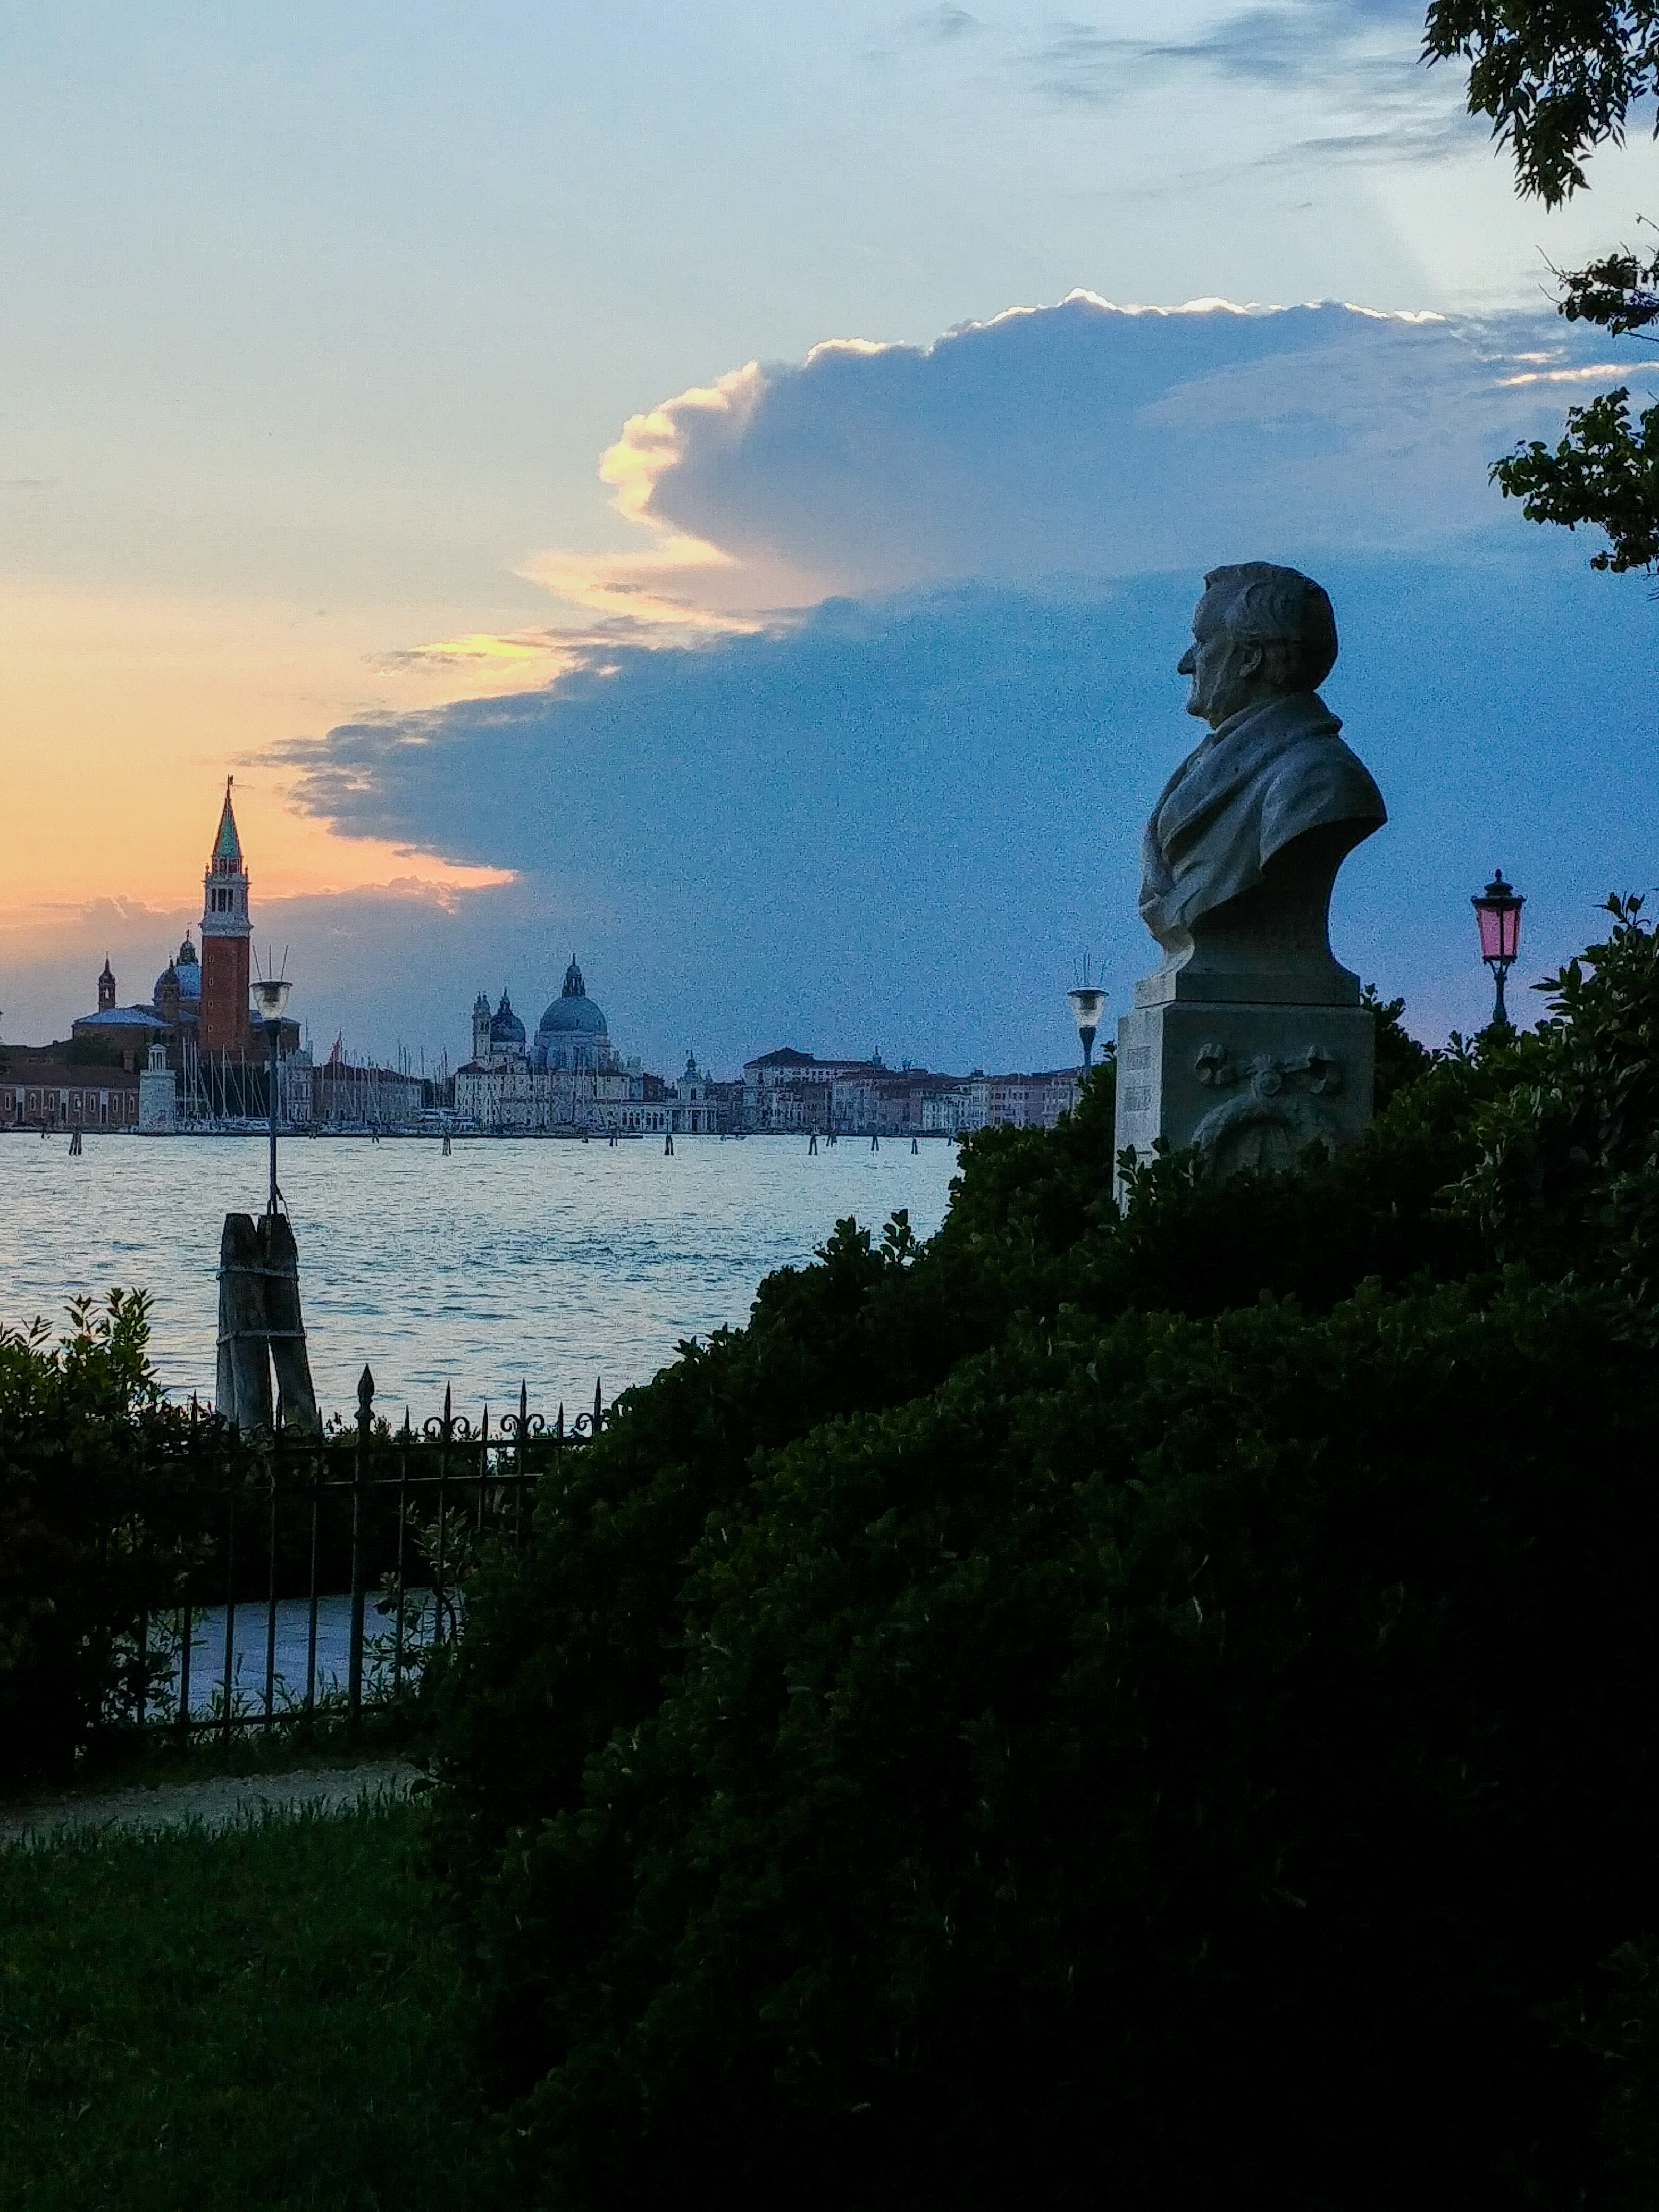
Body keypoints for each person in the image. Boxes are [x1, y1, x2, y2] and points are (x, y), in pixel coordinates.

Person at [1138, 564, 1385, 980]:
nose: (1186, 664)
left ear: (1250, 659)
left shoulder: (1321, 779)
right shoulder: (1204, 765)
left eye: (1201, 645)